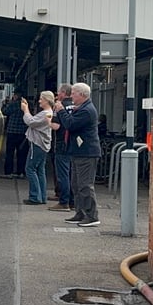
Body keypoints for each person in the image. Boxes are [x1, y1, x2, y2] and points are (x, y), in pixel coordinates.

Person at [53, 82, 101, 227]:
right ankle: (80, 212)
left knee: (85, 185)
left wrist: (61, 111)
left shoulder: (86, 111)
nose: (71, 96)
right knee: (76, 184)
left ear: (82, 95)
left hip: (86, 153)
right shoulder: (81, 108)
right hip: (78, 152)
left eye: (73, 93)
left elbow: (70, 125)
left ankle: (92, 216)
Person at [20, 91, 55, 205]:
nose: (39, 101)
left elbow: (30, 122)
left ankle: (35, 197)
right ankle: (42, 196)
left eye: (41, 99)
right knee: (40, 170)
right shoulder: (49, 113)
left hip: (37, 144)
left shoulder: (45, 113)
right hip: (43, 145)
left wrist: (25, 110)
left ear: (47, 100)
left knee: (30, 169)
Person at [48, 83, 75, 212]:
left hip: (62, 143)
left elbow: (56, 126)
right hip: (74, 144)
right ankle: (72, 201)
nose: (57, 94)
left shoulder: (59, 106)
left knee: (63, 174)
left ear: (64, 93)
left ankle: (64, 201)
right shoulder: (76, 106)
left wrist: (48, 121)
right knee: (71, 174)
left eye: (59, 92)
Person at [0, 90, 28, 179]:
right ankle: (21, 172)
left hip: (12, 132)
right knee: (22, 154)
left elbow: (4, 112)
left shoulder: (13, 104)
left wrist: (4, 104)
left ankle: (9, 172)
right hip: (23, 133)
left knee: (10, 153)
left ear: (16, 96)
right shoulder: (27, 105)